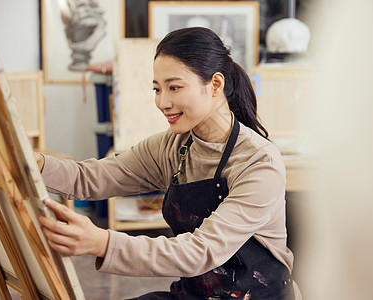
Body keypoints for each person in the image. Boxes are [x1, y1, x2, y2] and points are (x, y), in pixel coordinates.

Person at [36, 27, 301, 299]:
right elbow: (92, 178)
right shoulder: (172, 146)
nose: (162, 102)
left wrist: (103, 243)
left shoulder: (258, 161)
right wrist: (36, 164)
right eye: (157, 89)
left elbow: (200, 251)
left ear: (215, 85)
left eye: (174, 87)